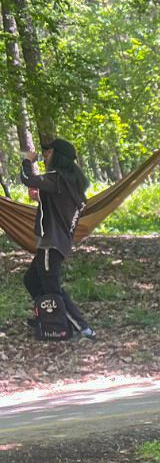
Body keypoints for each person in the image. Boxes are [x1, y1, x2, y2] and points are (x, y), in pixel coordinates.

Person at [21, 136, 93, 339]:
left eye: (49, 152)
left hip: (51, 243)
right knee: (31, 280)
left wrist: (28, 160)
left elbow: (27, 178)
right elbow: (59, 206)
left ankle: (82, 327)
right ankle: (49, 315)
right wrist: (42, 197)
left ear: (59, 157)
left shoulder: (58, 178)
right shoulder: (68, 182)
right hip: (56, 242)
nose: (44, 155)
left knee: (52, 287)